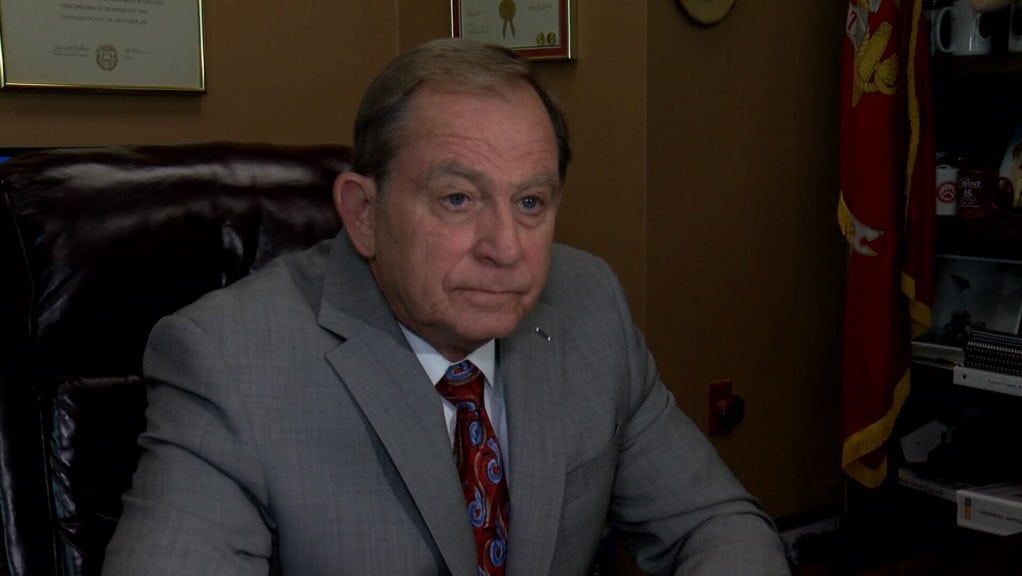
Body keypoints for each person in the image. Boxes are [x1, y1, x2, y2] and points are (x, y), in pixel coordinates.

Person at [103, 38, 790, 575]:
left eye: (530, 202)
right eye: (458, 199)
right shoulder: (229, 363)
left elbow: (717, 524)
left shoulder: (588, 307)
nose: (505, 248)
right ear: (364, 214)